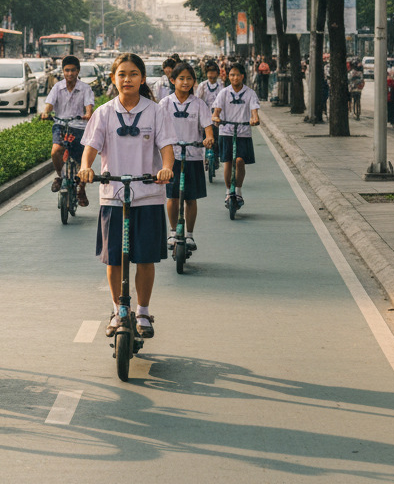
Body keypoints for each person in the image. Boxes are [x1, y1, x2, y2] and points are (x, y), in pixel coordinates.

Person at [78, 53, 175, 340]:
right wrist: (86, 168)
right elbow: (91, 148)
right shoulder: (104, 112)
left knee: (145, 259)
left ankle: (143, 311)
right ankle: (118, 310)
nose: (127, 79)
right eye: (121, 74)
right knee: (114, 259)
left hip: (148, 195)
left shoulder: (156, 112)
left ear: (142, 78)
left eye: (133, 74)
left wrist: (167, 168)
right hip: (113, 196)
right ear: (113, 78)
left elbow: (166, 146)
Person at [158, 61, 213, 253]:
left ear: (194, 82)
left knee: (190, 198)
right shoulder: (165, 103)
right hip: (171, 158)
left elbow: (208, 127)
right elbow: (158, 127)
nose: (185, 82)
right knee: (172, 197)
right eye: (181, 78)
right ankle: (172, 232)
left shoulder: (199, 104)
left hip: (193, 156)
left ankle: (189, 234)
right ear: (173, 80)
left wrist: (208, 138)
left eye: (189, 79)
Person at [41, 55, 95, 205]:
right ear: (63, 72)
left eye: (72, 70)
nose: (69, 74)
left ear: (78, 71)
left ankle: (81, 189)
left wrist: (88, 114)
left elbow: (89, 106)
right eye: (67, 70)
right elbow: (49, 104)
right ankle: (60, 176)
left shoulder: (85, 88)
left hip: (79, 127)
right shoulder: (57, 87)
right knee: (55, 151)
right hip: (60, 124)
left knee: (83, 160)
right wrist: (46, 112)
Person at [212, 62, 261, 210]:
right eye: (231, 75)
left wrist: (254, 119)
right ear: (228, 76)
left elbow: (254, 111)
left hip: (243, 132)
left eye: (237, 75)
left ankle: (238, 191)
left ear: (242, 76)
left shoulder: (250, 93)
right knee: (227, 161)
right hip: (226, 131)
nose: (234, 77)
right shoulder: (224, 93)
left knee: (239, 161)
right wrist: (215, 117)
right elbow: (216, 111)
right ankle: (228, 192)